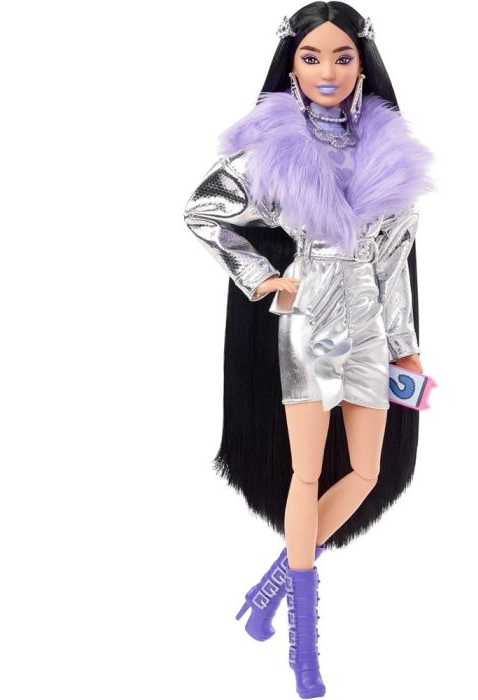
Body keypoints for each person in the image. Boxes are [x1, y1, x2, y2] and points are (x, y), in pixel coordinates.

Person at [183, 4, 434, 697]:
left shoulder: (389, 152)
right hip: (312, 313)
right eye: (312, 57)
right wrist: (263, 277)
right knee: (305, 474)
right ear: (290, 66)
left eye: (342, 57)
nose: (328, 71)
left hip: (370, 321)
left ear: (363, 65)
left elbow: (394, 265)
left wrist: (406, 349)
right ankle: (303, 646)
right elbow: (203, 210)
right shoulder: (271, 148)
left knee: (364, 471)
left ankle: (269, 589)